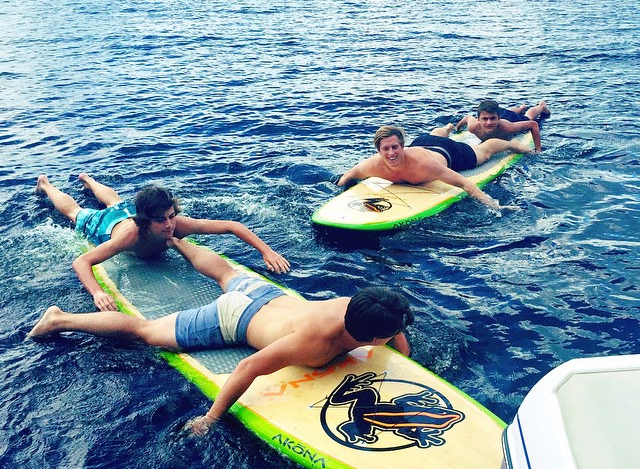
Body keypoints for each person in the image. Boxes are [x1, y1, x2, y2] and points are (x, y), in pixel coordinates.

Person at [28, 237, 414, 436]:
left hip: (269, 296)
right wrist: (210, 418)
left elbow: (395, 327)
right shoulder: (314, 342)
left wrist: (406, 357)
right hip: (237, 317)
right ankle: (60, 319)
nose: (398, 334)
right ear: (369, 337)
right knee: (147, 333)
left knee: (227, 274)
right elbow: (250, 366)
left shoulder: (364, 304)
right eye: (390, 335)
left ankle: (178, 241)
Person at [36, 173, 291, 311]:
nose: (169, 225)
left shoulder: (177, 223)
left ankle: (89, 180)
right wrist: (98, 292)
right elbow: (82, 261)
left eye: (171, 216)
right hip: (108, 225)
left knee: (116, 201)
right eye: (161, 220)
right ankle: (46, 185)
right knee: (76, 212)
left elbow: (232, 226)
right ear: (146, 221)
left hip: (128, 211)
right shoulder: (130, 236)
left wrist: (267, 252)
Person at [337, 125, 532, 211]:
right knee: (434, 135)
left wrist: (494, 206)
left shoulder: (425, 166)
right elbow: (347, 177)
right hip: (422, 141)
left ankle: (510, 144)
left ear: (402, 146)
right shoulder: (372, 165)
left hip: (446, 152)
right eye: (385, 149)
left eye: (395, 147)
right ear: (378, 151)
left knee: (484, 152)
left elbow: (464, 183)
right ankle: (446, 128)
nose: (391, 153)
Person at [455, 99, 551, 152]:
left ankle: (541, 106)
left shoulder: (508, 127)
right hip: (500, 113)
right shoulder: (473, 127)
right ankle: (521, 108)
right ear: (478, 119)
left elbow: (533, 125)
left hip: (510, 119)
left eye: (492, 119)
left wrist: (538, 150)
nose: (488, 123)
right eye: (485, 119)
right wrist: (457, 128)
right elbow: (467, 117)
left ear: (498, 118)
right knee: (507, 112)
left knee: (528, 117)